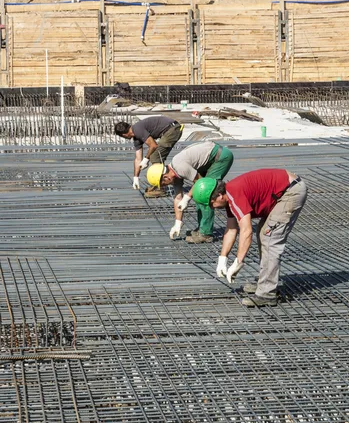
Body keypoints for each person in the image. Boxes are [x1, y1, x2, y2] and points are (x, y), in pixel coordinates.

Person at [192, 169, 308, 307]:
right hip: (283, 190)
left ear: (219, 196)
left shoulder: (234, 195)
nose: (213, 208)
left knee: (270, 239)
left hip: (290, 192)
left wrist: (238, 262)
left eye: (211, 204)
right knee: (264, 232)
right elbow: (231, 229)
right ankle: (264, 283)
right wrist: (222, 259)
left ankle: (267, 293)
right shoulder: (229, 196)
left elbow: (246, 231)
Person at [146, 141, 233, 243]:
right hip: (209, 161)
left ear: (165, 177)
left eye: (164, 184)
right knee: (199, 195)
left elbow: (200, 183)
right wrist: (178, 223)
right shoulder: (173, 175)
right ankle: (202, 228)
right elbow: (178, 198)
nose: (166, 186)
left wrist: (187, 197)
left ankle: (205, 233)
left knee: (204, 194)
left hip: (221, 158)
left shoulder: (180, 167)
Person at [114, 117, 183, 190]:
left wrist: (146, 159)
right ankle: (162, 183)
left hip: (173, 129)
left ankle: (162, 186)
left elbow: (153, 145)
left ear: (124, 135)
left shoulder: (137, 130)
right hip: (169, 130)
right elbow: (138, 159)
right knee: (156, 156)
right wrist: (136, 178)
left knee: (155, 157)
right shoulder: (136, 137)